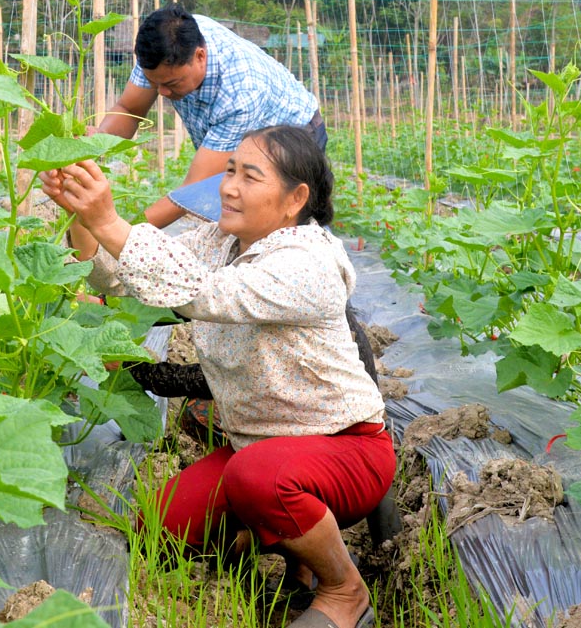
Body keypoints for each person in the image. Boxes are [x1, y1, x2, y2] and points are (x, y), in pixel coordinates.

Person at [40, 125, 390, 628]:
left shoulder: (308, 262)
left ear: (295, 198)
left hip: (344, 449)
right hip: (259, 446)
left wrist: (111, 219)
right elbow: (120, 278)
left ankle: (343, 590)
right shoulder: (221, 238)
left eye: (250, 176)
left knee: (257, 476)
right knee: (160, 525)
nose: (228, 186)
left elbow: (205, 293)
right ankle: (284, 545)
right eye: (230, 171)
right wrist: (81, 218)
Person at [97, 4, 325, 227]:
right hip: (245, 136)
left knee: (284, 227)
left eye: (171, 84)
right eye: (153, 83)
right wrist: (96, 143)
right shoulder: (163, 48)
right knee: (231, 220)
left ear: (200, 56)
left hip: (295, 136)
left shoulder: (239, 92)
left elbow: (192, 192)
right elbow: (129, 109)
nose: (161, 92)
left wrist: (121, 234)